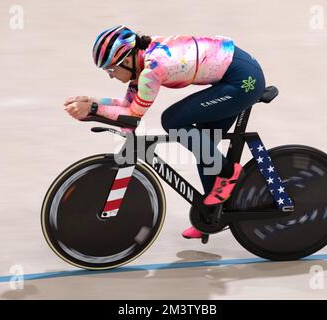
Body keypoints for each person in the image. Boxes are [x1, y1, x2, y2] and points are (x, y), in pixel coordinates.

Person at [64, 25, 266, 239]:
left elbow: (132, 115)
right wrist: (92, 101)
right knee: (204, 144)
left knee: (173, 120)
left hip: (243, 82)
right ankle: (213, 214)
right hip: (236, 72)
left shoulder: (152, 69)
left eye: (111, 69)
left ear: (128, 59)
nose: (111, 76)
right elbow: (125, 104)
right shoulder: (141, 61)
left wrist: (93, 109)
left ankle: (228, 173)